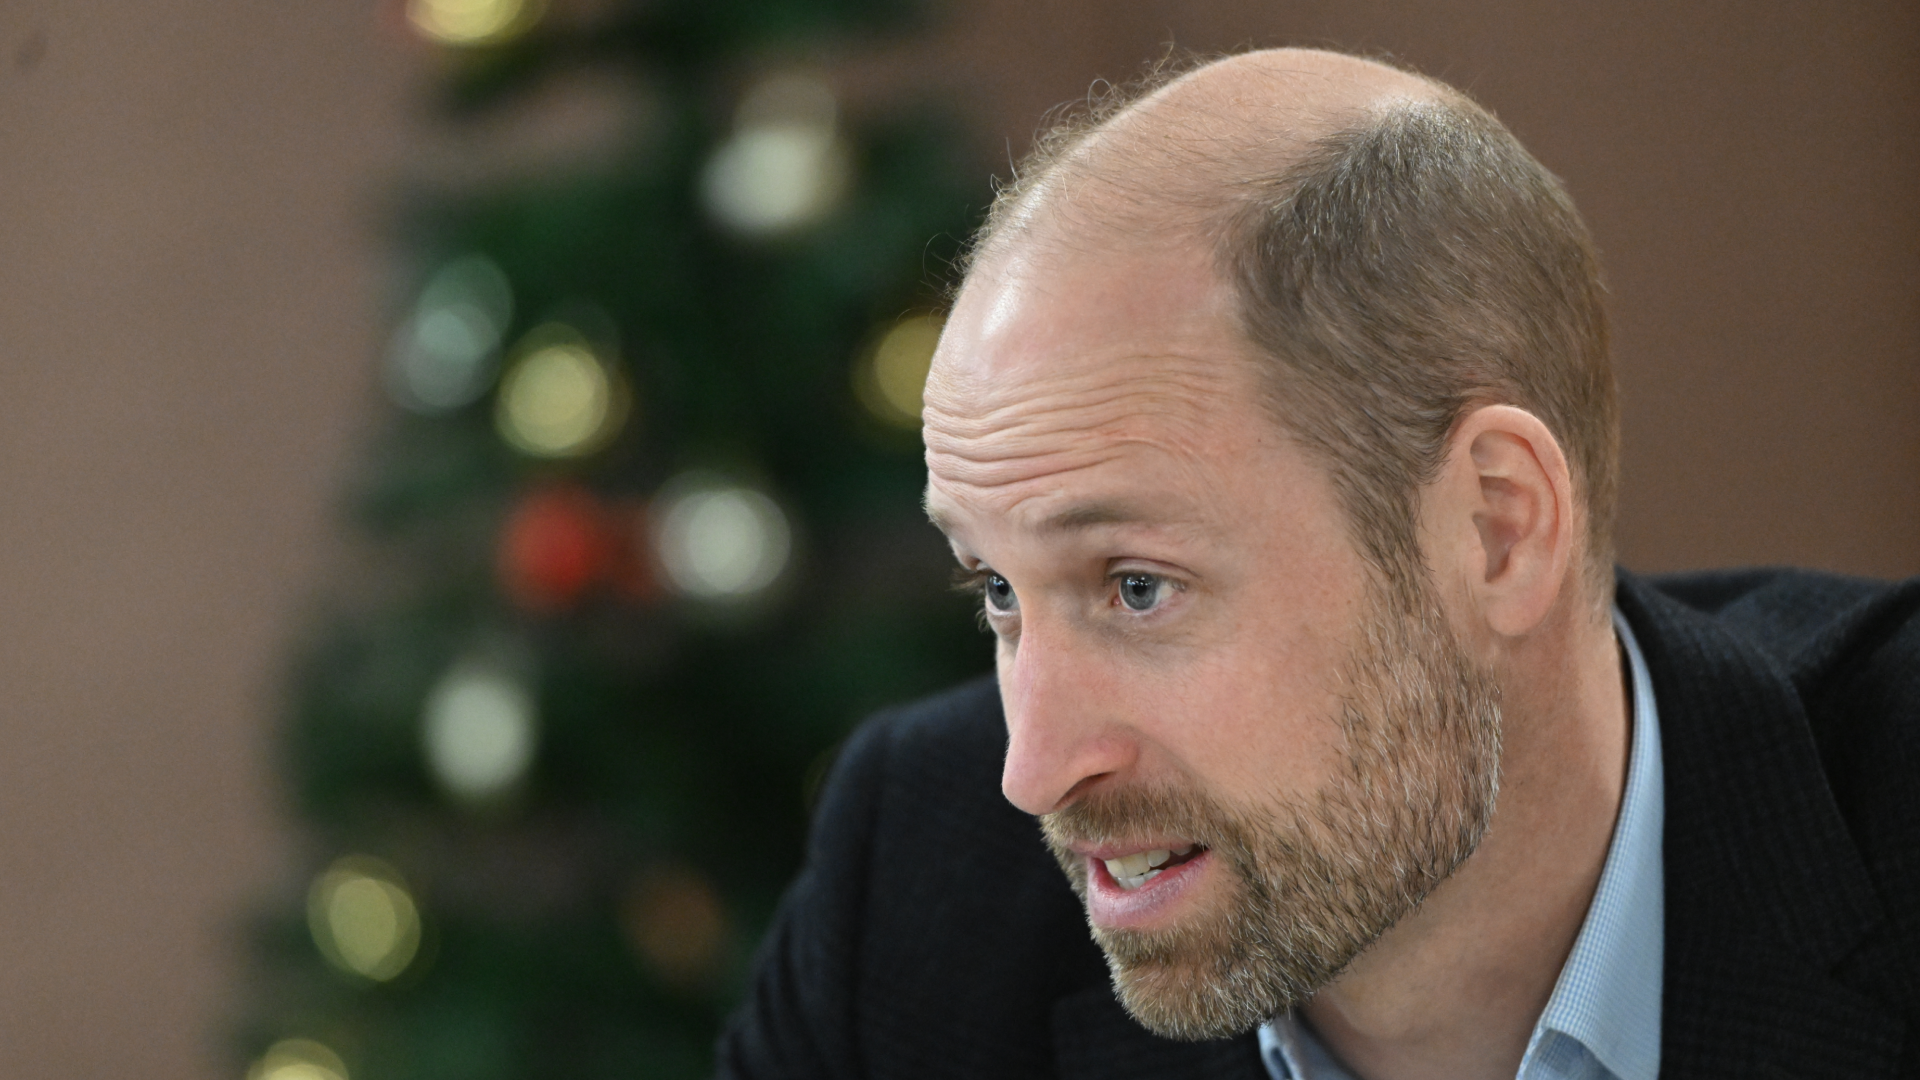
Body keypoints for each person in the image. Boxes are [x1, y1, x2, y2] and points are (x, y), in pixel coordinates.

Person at [715, 48, 1920, 1080]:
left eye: (1138, 586)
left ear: (1496, 528)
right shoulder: (919, 890)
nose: (1034, 770)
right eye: (996, 590)